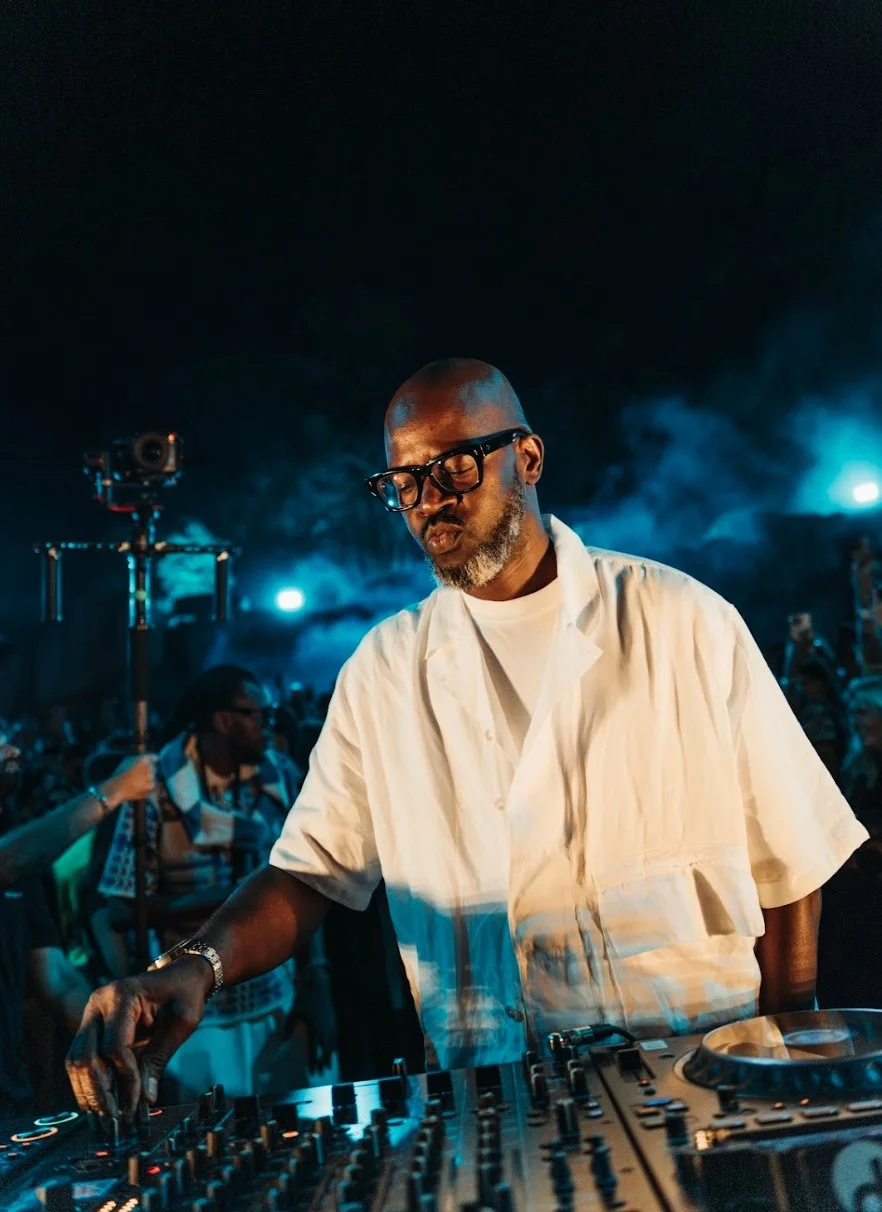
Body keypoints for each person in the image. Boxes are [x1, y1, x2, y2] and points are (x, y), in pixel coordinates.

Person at [67, 358, 868, 1119]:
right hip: (496, 1091)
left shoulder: (679, 619)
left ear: (527, 455)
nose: (427, 501)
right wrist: (193, 969)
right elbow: (310, 874)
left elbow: (791, 859)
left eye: (454, 468)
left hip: (696, 1072)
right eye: (404, 482)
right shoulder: (385, 668)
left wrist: (780, 1054)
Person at [90, 665, 334, 1102]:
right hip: (195, 1013)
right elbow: (120, 911)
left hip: (277, 996)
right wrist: (221, 902)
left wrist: (316, 980)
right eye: (258, 716)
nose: (268, 726)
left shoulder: (277, 775)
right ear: (223, 720)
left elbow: (309, 881)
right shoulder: (154, 790)